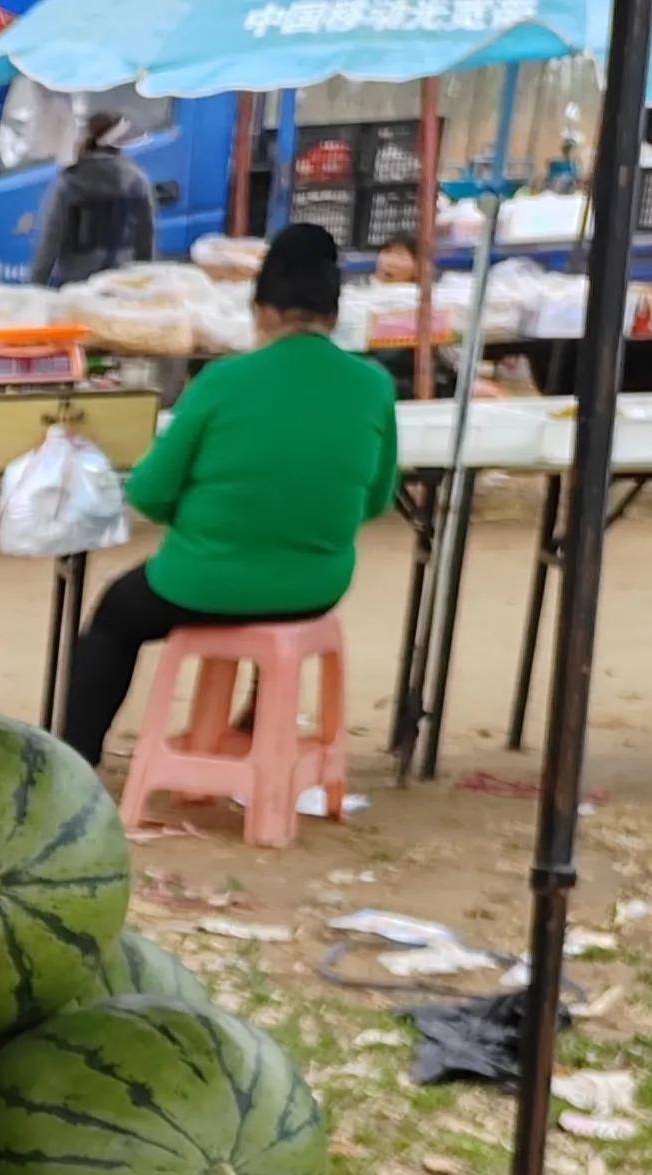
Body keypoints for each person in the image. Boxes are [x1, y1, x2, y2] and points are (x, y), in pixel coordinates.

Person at [59, 220, 398, 767]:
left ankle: (76, 759)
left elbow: (149, 492)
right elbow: (378, 500)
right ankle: (256, 730)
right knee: (277, 607)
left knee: (113, 619)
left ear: (261, 309)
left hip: (200, 584)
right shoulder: (374, 384)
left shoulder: (222, 381)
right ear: (334, 316)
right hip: (316, 586)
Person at [32, 114, 156, 290]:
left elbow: (49, 244)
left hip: (76, 290)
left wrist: (35, 289)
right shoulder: (137, 181)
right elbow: (145, 239)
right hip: (121, 288)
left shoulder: (68, 184)